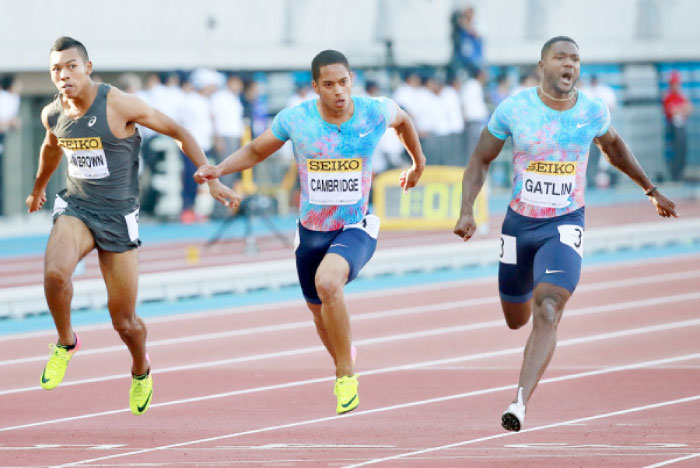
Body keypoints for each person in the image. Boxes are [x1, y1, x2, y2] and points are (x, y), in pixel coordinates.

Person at [453, 36, 677, 432]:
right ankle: (520, 308)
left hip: (564, 224)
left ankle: (519, 403)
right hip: (518, 226)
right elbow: (480, 159)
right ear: (543, 66)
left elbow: (616, 150)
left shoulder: (592, 111)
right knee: (515, 318)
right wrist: (467, 209)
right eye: (560, 58)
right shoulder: (515, 108)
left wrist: (650, 190)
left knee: (549, 308)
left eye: (575, 59)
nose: (569, 65)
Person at [195, 50, 426, 414]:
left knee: (329, 282)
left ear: (352, 80)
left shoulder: (374, 111)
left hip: (355, 225)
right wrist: (218, 170)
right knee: (320, 316)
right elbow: (257, 150)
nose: (339, 91)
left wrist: (418, 162)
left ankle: (345, 374)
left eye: (344, 82)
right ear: (315, 87)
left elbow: (404, 122)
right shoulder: (296, 119)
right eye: (329, 84)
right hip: (311, 231)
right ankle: (342, 352)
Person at [25, 37, 239, 415]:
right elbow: (51, 147)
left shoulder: (119, 103)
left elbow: (179, 131)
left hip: (118, 217)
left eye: (72, 66)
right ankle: (65, 341)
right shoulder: (52, 113)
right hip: (77, 206)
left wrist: (213, 178)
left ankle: (141, 368)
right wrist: (39, 188)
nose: (64, 75)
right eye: (56, 68)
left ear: (87, 67)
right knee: (55, 275)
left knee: (124, 321)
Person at [662, 71, 693, 181]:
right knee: (675, 151)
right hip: (673, 127)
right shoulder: (668, 96)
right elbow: (671, 111)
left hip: (682, 126)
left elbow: (689, 109)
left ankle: (680, 173)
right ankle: (674, 175)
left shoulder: (681, 95)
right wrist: (681, 109)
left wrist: (680, 109)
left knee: (682, 151)